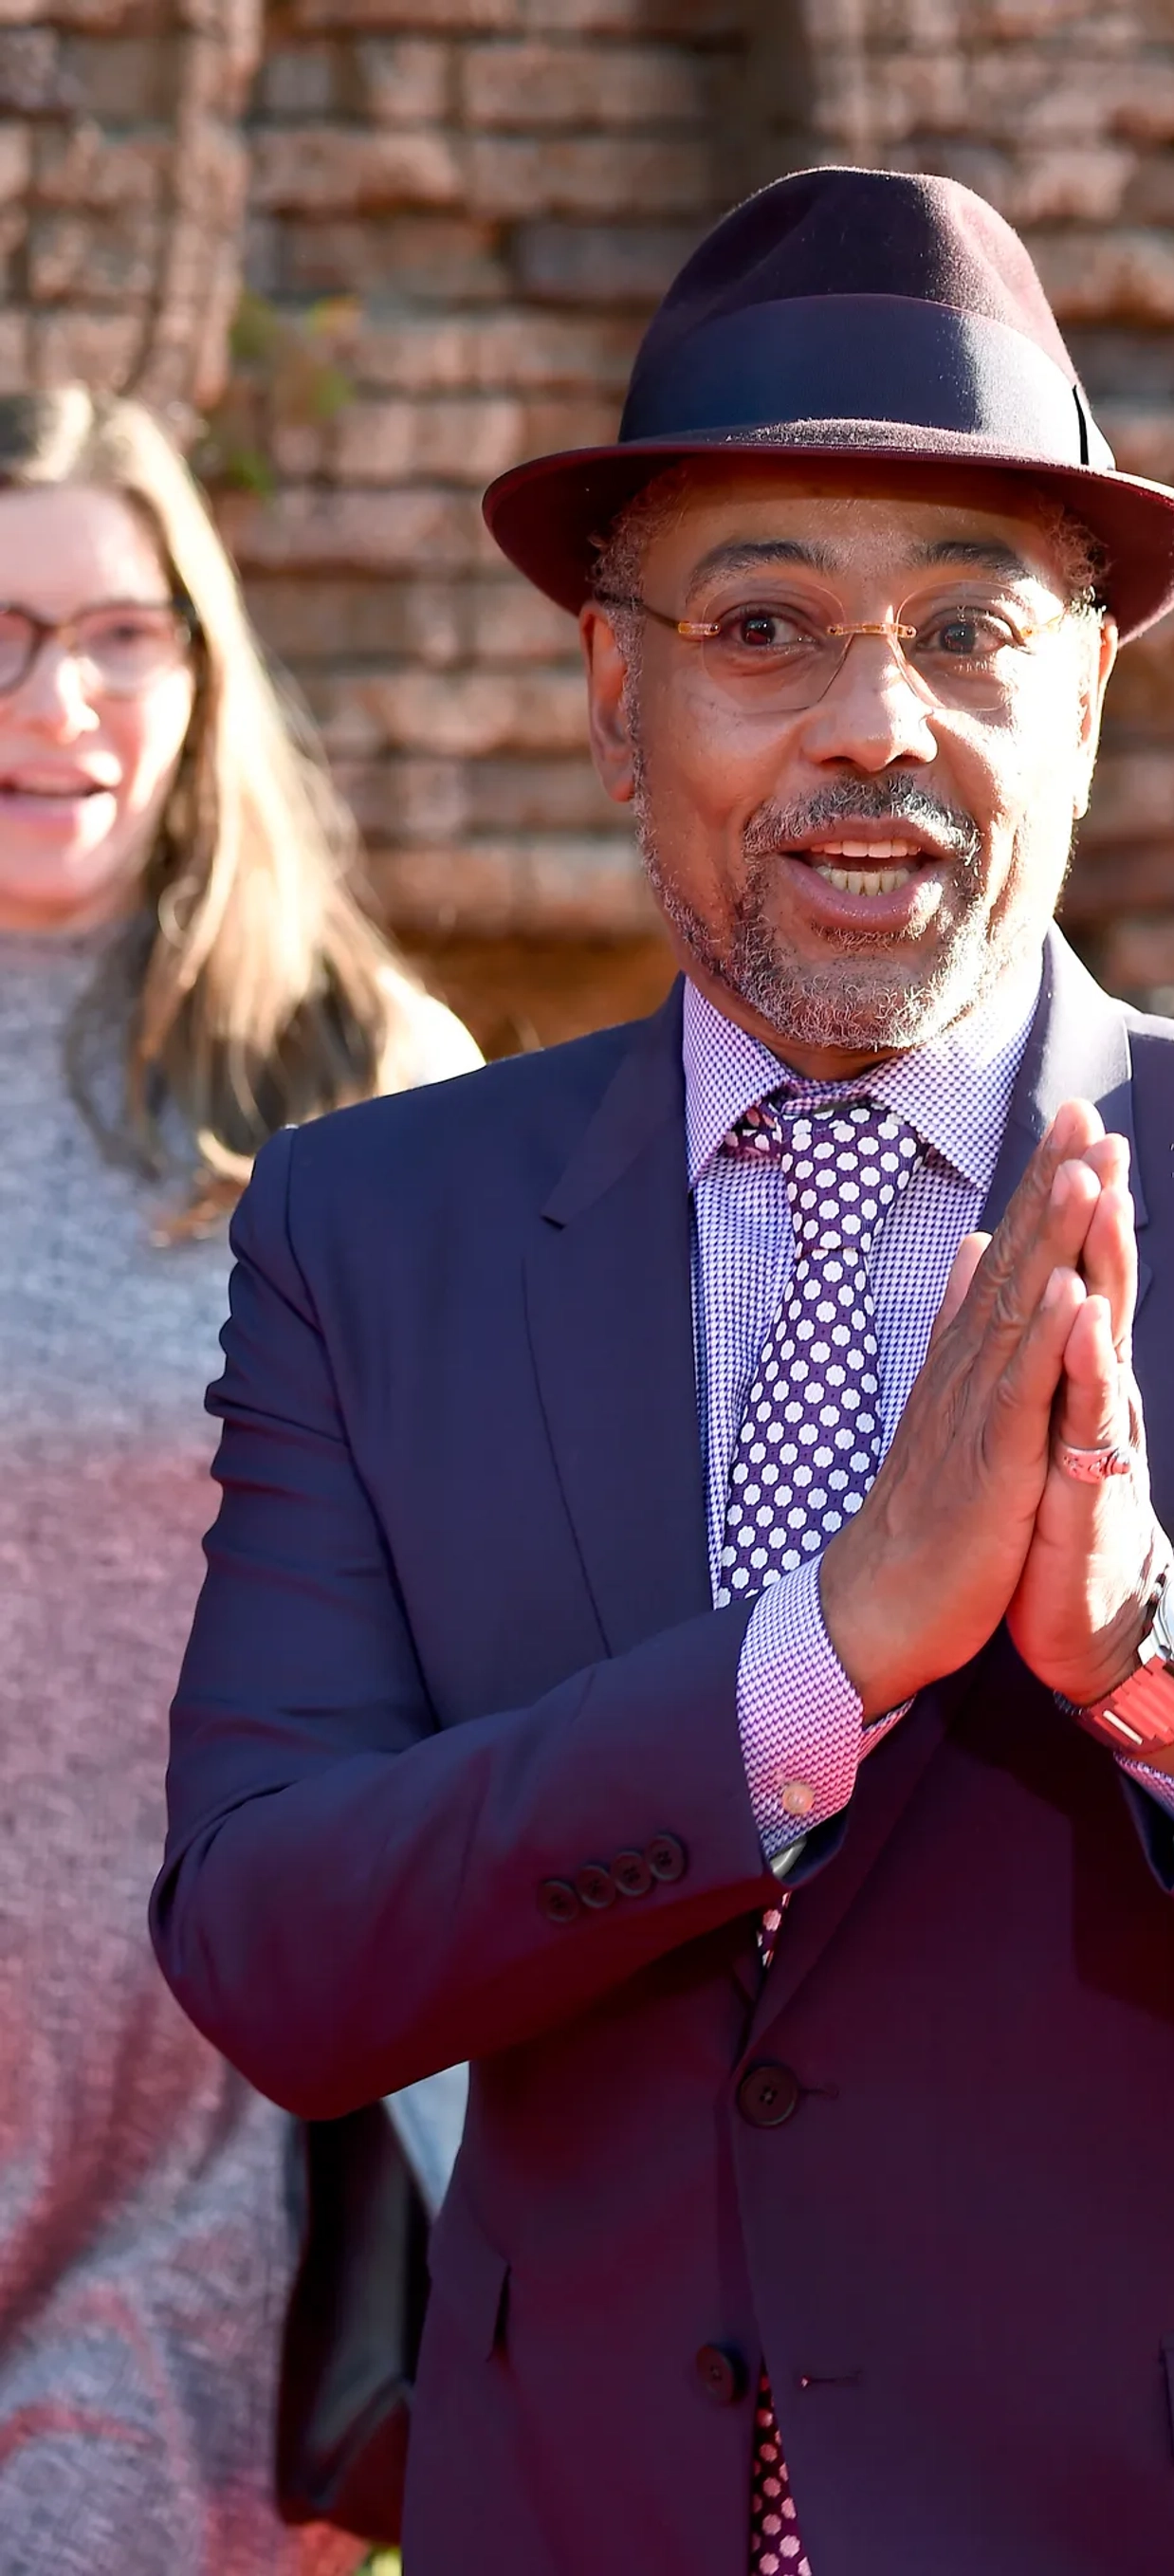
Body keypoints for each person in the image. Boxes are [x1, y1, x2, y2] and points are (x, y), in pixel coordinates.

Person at [153, 173, 1174, 2576]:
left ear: (1091, 689)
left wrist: (1171, 1662)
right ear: (618, 694)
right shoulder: (369, 1236)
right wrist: (808, 1667)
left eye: (968, 627)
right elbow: (275, 1957)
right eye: (763, 627)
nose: (873, 724)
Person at [0, 386, 480, 2574]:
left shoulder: (354, 1081)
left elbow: (491, 1654)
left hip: (201, 2151)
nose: (62, 701)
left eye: (122, 632)